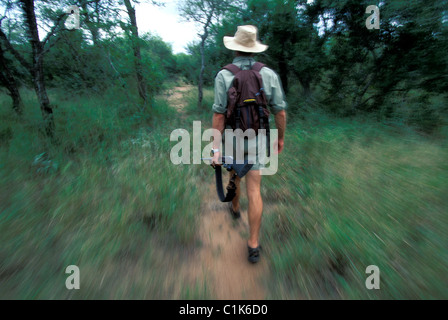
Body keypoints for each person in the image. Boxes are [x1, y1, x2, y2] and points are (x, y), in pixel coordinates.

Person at [210, 25, 287, 263]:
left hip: (233, 137)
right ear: (254, 50)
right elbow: (280, 112)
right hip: (258, 137)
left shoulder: (224, 75)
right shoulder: (269, 74)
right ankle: (253, 244)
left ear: (234, 49)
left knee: (235, 175)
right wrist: (280, 137)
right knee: (255, 190)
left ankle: (234, 209)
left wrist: (214, 148)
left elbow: (219, 116)